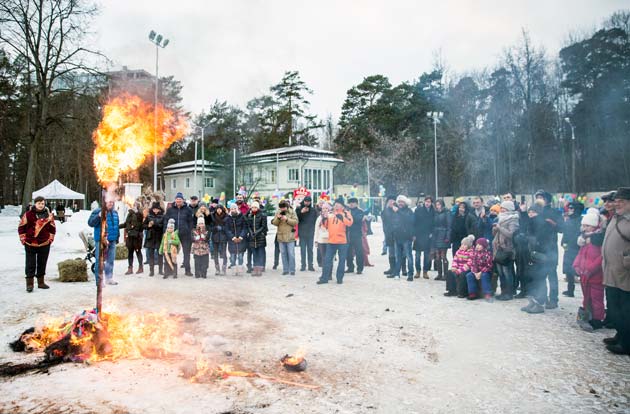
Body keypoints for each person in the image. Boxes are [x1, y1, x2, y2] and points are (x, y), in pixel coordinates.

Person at [601, 187, 630, 355]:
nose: (617, 204)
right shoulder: (617, 217)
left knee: (626, 310)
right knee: (615, 308)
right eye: (616, 201)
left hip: (625, 272)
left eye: (622, 202)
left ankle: (627, 343)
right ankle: (620, 335)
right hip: (611, 270)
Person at [574, 209, 605, 332]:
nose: (584, 228)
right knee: (586, 297)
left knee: (596, 298)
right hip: (584, 275)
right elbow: (580, 254)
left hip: (596, 276)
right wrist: (576, 265)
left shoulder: (598, 239)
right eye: (583, 225)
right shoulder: (585, 240)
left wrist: (590, 269)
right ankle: (586, 316)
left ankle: (597, 319)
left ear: (595, 226)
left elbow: (601, 257)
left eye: (587, 226)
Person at [520, 203, 554, 314]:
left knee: (539, 279)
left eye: (533, 212)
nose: (531, 214)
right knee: (531, 278)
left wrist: (530, 240)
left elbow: (544, 241)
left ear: (539, 213)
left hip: (541, 255)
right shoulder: (530, 223)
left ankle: (540, 303)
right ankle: (532, 301)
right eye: (529, 212)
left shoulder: (545, 224)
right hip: (531, 255)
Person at [18, 196, 56, 292]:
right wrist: (23, 239)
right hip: (30, 243)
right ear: (35, 204)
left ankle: (41, 283)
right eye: (39, 203)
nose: (41, 205)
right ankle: (29, 284)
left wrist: (50, 239)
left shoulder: (49, 215)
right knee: (30, 264)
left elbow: (53, 229)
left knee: (42, 263)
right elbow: (21, 227)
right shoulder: (28, 214)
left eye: (42, 203)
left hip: (44, 243)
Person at [534, 189, 563, 309]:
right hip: (538, 247)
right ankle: (541, 297)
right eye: (537, 197)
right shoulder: (535, 211)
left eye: (541, 197)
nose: (539, 199)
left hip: (550, 247)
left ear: (547, 200)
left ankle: (554, 299)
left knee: (551, 274)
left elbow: (562, 228)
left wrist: (554, 224)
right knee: (539, 274)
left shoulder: (554, 212)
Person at [317, 198, 353, 284]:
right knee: (327, 260)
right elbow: (325, 226)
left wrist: (342, 218)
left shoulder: (346, 213)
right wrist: (324, 219)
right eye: (335, 203)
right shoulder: (330, 214)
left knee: (341, 261)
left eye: (338, 203)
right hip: (331, 241)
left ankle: (339, 278)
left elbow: (350, 223)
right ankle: (324, 278)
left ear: (342, 205)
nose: (336, 205)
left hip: (342, 242)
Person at [88, 197, 120, 286]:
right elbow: (90, 223)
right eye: (109, 202)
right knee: (100, 261)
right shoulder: (98, 211)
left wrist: (117, 237)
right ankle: (99, 281)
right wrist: (98, 216)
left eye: (112, 202)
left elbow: (116, 226)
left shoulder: (115, 212)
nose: (111, 204)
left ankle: (109, 278)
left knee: (110, 260)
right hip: (101, 240)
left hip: (112, 240)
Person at [493, 201, 520, 301]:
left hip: (507, 249)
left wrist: (500, 228)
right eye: (501, 208)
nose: (502, 209)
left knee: (507, 272)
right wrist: (495, 229)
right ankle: (503, 292)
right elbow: (495, 234)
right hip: (498, 248)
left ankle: (509, 293)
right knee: (500, 273)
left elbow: (511, 234)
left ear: (508, 209)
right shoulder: (500, 218)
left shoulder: (513, 219)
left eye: (504, 208)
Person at [163, 193, 194, 276]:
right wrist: (165, 231)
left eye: (180, 199)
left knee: (186, 253)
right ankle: (170, 270)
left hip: (185, 234)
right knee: (171, 252)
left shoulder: (188, 209)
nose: (178, 200)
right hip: (173, 234)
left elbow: (191, 222)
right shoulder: (170, 210)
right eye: (177, 199)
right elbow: (166, 220)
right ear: (175, 200)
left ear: (183, 200)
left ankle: (188, 270)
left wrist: (190, 231)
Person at [388, 195, 415, 281]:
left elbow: (408, 220)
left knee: (408, 256)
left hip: (406, 238)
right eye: (399, 202)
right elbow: (392, 223)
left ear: (405, 203)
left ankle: (410, 274)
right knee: (398, 257)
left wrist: (398, 211)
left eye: (402, 202)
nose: (400, 203)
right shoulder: (395, 211)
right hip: (397, 237)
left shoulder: (409, 211)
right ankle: (397, 273)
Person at [561, 202, 585, 297]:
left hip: (578, 248)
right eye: (569, 208)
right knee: (568, 269)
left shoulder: (581, 220)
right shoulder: (569, 220)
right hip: (569, 248)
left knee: (579, 269)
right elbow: (565, 233)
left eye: (571, 208)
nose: (569, 210)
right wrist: (563, 242)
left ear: (576, 209)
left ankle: (585, 291)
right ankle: (570, 289)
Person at [272, 200, 298, 276]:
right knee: (283, 254)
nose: (282, 209)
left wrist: (287, 219)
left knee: (291, 254)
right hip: (281, 236)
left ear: (287, 207)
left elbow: (296, 222)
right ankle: (285, 269)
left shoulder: (292, 212)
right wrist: (278, 218)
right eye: (281, 208)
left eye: (283, 208)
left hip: (290, 236)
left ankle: (292, 270)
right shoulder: (278, 212)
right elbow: (274, 223)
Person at [413, 196, 434, 280]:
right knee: (417, 255)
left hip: (428, 236)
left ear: (431, 202)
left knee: (427, 256)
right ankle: (418, 271)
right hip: (418, 235)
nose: (427, 203)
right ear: (424, 202)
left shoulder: (433, 211)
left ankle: (425, 271)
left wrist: (432, 232)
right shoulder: (418, 210)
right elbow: (414, 223)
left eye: (429, 201)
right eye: (426, 201)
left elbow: (434, 223)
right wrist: (413, 234)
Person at [120, 202, 144, 275]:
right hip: (130, 236)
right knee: (130, 252)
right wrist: (117, 227)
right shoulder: (129, 214)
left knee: (138, 251)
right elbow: (126, 224)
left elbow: (138, 222)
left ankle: (140, 267)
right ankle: (130, 268)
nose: (133, 207)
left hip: (137, 237)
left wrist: (135, 212)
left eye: (135, 206)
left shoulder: (139, 214)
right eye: (133, 205)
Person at [432, 199, 452, 281]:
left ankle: (446, 274)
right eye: (436, 205)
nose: (438, 206)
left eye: (439, 204)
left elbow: (449, 226)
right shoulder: (435, 213)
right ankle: (439, 274)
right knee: (437, 256)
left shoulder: (447, 212)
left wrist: (447, 237)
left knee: (443, 255)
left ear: (442, 205)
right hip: (436, 235)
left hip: (444, 235)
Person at [296, 195, 317, 271]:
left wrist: (315, 231)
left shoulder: (313, 210)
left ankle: (310, 265)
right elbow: (296, 220)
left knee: (310, 250)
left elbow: (315, 221)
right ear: (304, 201)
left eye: (308, 201)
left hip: (310, 233)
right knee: (303, 250)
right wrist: (301, 212)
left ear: (310, 202)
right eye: (306, 201)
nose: (307, 203)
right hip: (302, 233)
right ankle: (303, 265)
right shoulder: (299, 209)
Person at [246, 201, 267, 276]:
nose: (254, 209)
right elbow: (248, 226)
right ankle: (255, 269)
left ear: (258, 208)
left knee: (260, 253)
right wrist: (251, 232)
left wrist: (257, 232)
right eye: (252, 207)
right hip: (252, 238)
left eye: (255, 207)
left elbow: (263, 226)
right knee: (254, 254)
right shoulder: (250, 216)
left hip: (260, 237)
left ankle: (260, 269)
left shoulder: (262, 215)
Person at [225, 203, 247, 275]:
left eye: (234, 208)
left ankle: (240, 270)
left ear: (237, 209)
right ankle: (234, 270)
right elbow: (227, 229)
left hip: (241, 240)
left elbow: (244, 228)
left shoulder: (242, 217)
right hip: (232, 240)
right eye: (232, 209)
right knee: (233, 257)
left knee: (240, 256)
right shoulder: (228, 218)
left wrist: (241, 237)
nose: (233, 210)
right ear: (230, 210)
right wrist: (233, 237)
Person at [143, 201, 164, 277]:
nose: (155, 210)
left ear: (159, 209)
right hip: (150, 237)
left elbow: (162, 226)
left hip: (159, 237)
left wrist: (154, 224)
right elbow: (143, 226)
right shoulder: (149, 216)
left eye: (157, 209)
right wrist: (148, 226)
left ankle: (160, 270)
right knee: (150, 254)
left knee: (160, 254)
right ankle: (151, 271)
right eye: (154, 209)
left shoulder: (162, 216)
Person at [346, 197, 365, 275]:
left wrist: (349, 215)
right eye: (350, 203)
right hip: (348, 234)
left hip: (357, 234)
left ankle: (360, 268)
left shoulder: (360, 211)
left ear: (356, 204)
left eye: (353, 203)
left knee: (359, 252)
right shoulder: (346, 211)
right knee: (348, 252)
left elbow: (358, 219)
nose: (351, 204)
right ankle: (350, 267)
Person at [210, 205, 229, 275]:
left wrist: (222, 228)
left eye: (220, 209)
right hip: (215, 236)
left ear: (222, 209)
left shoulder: (226, 216)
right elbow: (210, 227)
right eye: (217, 209)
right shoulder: (212, 216)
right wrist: (215, 228)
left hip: (224, 237)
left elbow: (228, 227)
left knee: (224, 253)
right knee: (215, 254)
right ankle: (217, 269)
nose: (219, 210)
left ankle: (224, 268)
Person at [314, 202, 331, 278]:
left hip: (330, 241)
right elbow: (316, 230)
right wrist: (316, 240)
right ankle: (324, 274)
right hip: (321, 241)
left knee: (329, 258)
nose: (324, 210)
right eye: (323, 208)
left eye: (326, 208)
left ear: (329, 209)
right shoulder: (319, 218)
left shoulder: (332, 217)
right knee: (324, 258)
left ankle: (329, 274)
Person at [382, 196, 397, 276]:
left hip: (397, 235)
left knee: (396, 253)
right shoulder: (385, 211)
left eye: (393, 201)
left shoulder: (397, 210)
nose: (391, 203)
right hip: (388, 235)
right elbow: (384, 222)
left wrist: (396, 211)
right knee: (391, 253)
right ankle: (392, 268)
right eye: (390, 201)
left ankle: (396, 270)